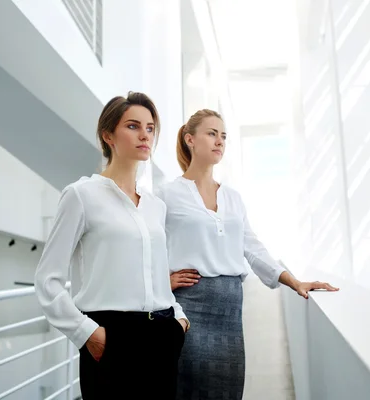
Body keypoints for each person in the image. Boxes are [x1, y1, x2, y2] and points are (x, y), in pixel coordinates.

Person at [157, 109, 339, 400]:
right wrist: (160, 282)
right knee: (188, 389)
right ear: (190, 139)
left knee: (227, 390)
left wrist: (295, 282)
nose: (220, 141)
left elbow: (252, 247)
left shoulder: (233, 197)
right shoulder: (166, 194)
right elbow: (148, 248)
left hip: (230, 310)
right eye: (212, 133)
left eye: (224, 136)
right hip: (188, 306)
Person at [34, 92, 189, 400]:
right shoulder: (81, 195)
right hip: (110, 336)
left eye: (149, 127)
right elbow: (47, 279)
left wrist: (179, 319)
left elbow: (157, 274)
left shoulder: (155, 206)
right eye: (133, 126)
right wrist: (86, 333)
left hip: (163, 332)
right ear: (108, 135)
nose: (144, 134)